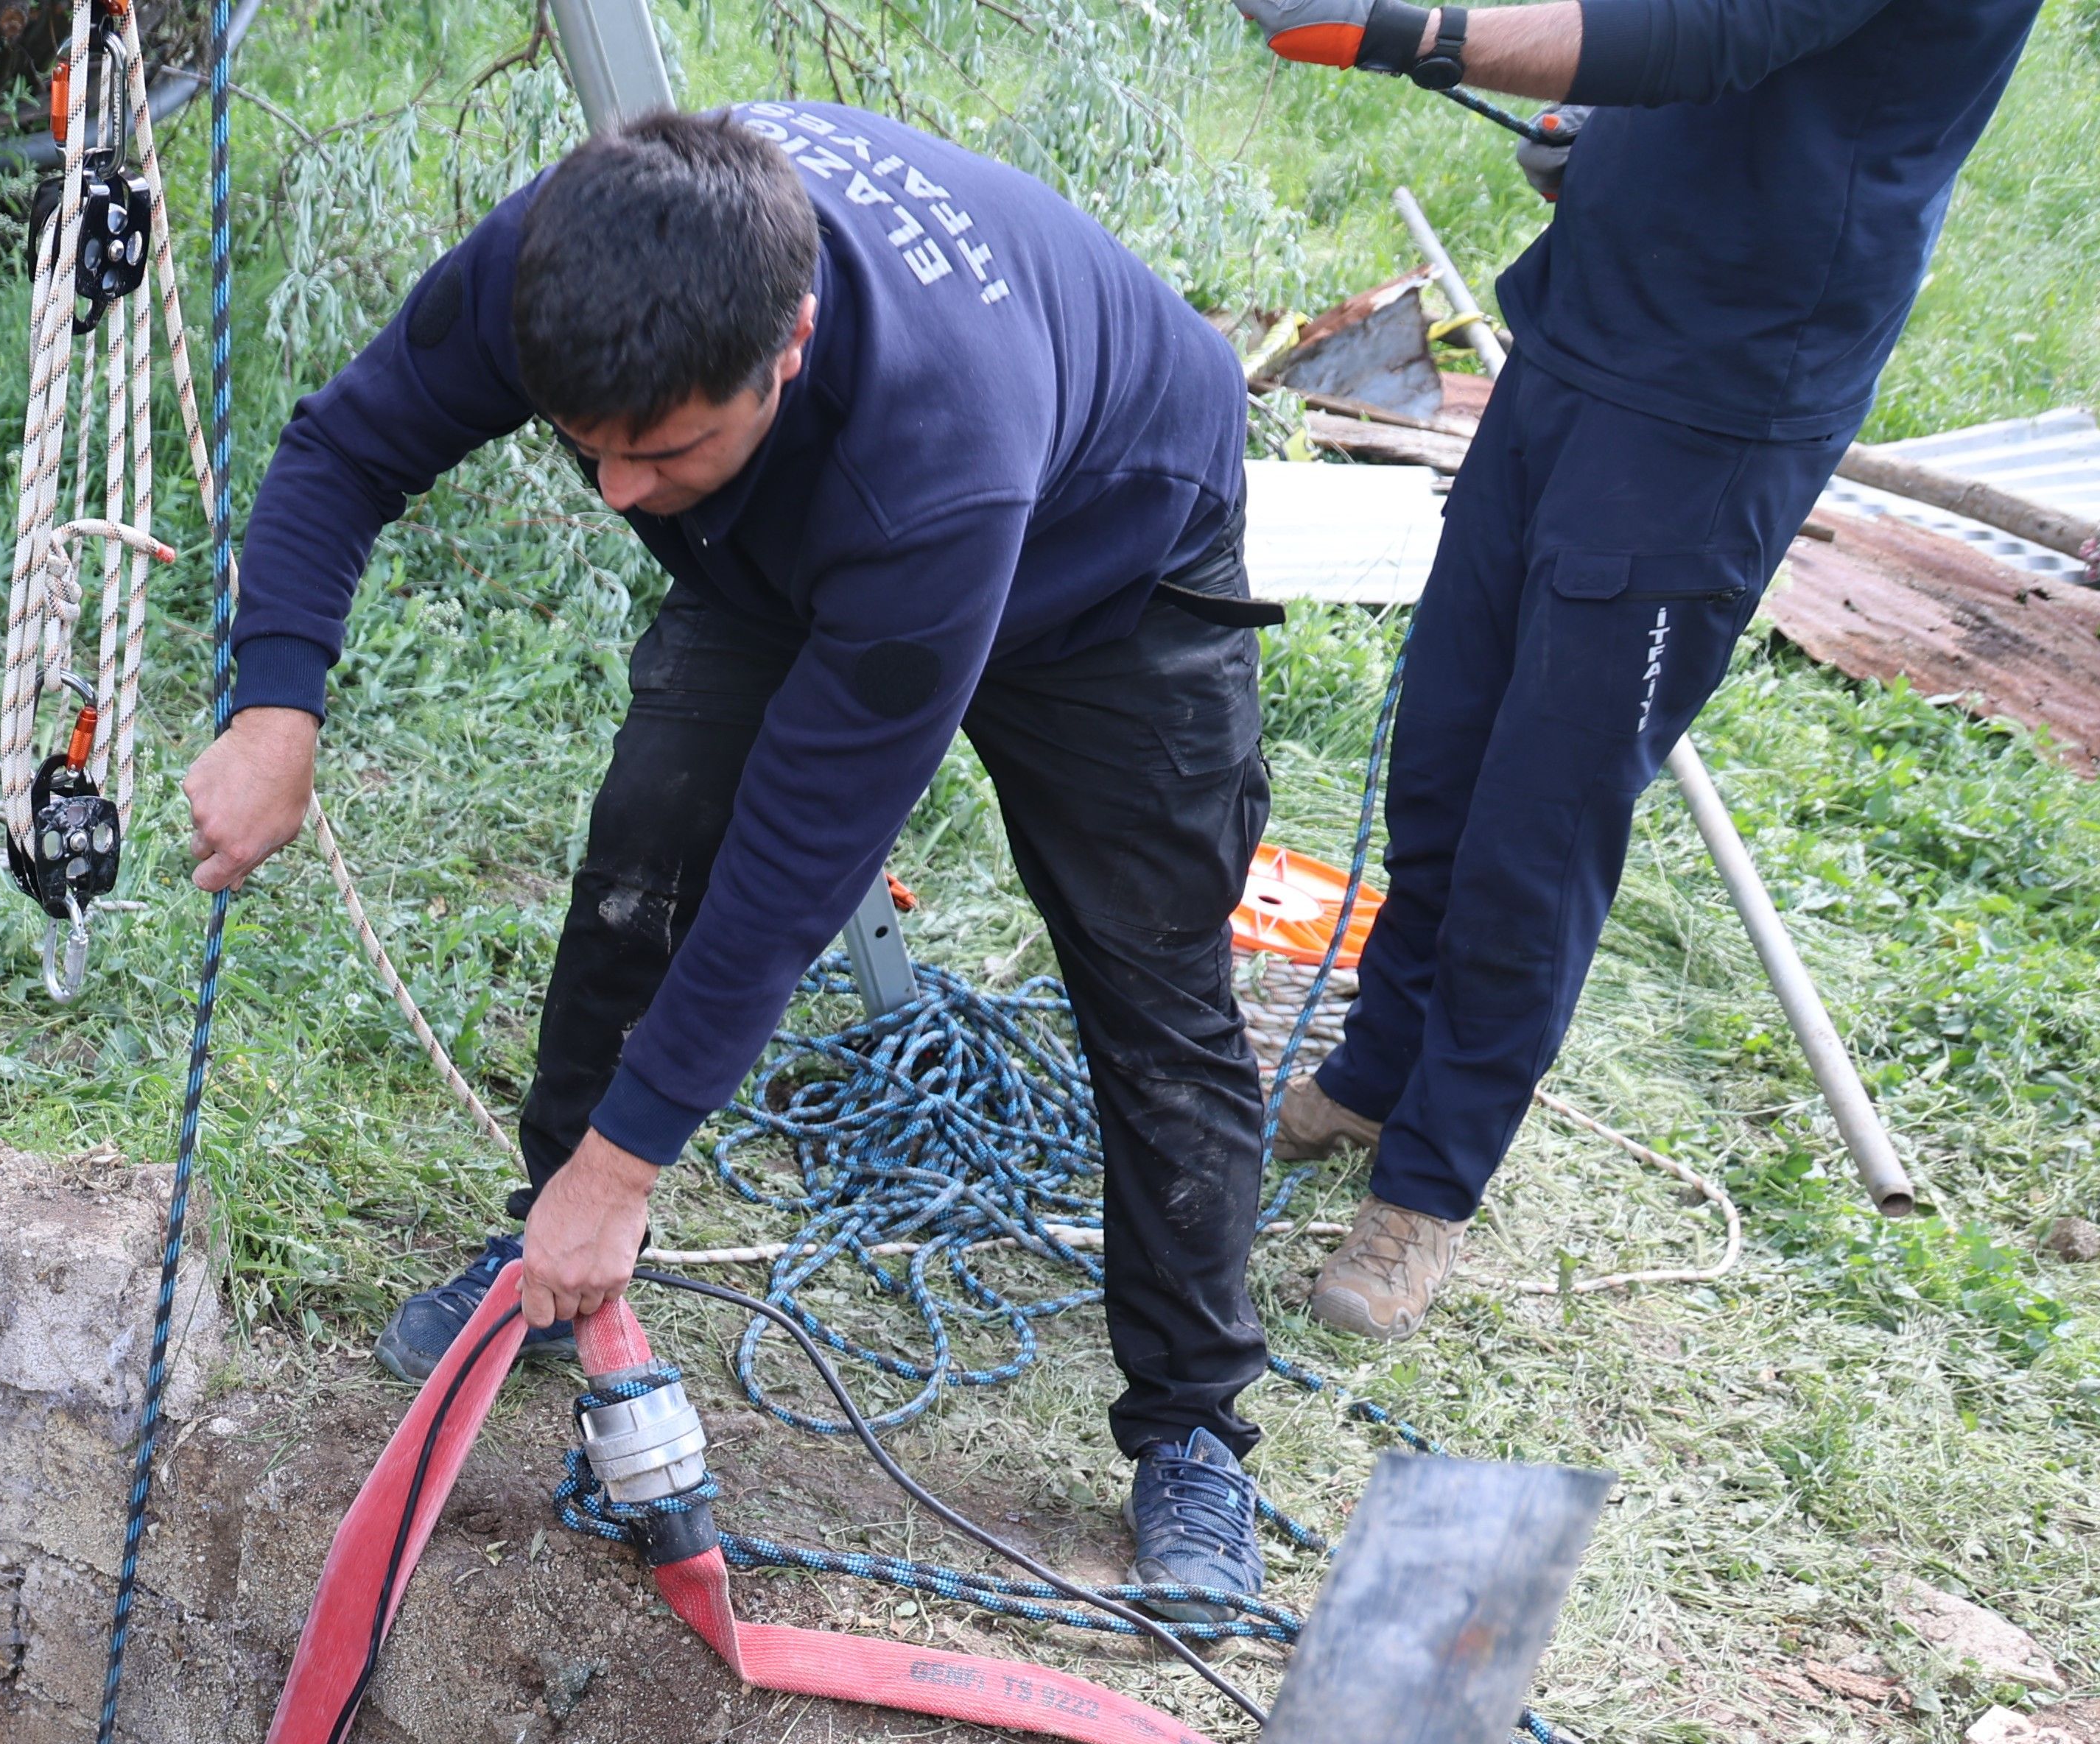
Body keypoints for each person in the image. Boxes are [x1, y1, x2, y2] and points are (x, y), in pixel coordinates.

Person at [184, 106, 1282, 1597]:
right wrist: (276, 709)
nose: (618, 493)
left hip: (1110, 559)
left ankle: (1192, 1428)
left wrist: (632, 1163)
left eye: (661, 452)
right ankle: (554, 1241)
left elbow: (793, 871)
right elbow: (344, 447)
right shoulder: (564, 259)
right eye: (587, 449)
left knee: (1155, 989)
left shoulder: (936, 455)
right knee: (646, 857)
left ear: (790, 345)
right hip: (799, 534)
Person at [1232, 0, 2040, 1336]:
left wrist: (1408, 28)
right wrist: (1613, 137)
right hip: (1587, 330)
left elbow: (1710, 32)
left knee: (1540, 820)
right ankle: (1376, 1074)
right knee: (1445, 750)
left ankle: (1429, 1187)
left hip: (1715, 401)